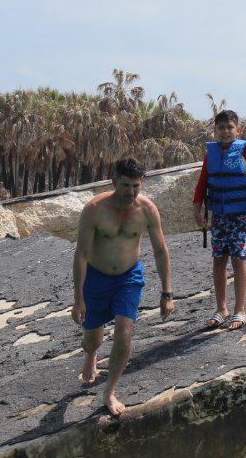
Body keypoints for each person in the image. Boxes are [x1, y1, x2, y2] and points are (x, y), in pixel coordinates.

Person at [72, 157, 174, 417]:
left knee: (125, 330)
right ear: (114, 181)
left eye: (136, 186)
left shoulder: (147, 210)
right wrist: (78, 299)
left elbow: (161, 252)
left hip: (129, 278)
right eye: (126, 185)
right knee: (91, 338)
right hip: (97, 278)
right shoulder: (94, 209)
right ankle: (92, 354)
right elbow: (81, 254)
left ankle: (109, 391)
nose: (131, 192)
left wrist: (167, 293)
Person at [192, 109, 246, 332]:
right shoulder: (211, 153)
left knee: (238, 259)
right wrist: (198, 212)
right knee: (218, 260)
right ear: (215, 130)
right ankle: (221, 308)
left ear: (238, 129)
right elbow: (201, 184)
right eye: (221, 128)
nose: (225, 132)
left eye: (230, 127)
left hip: (240, 215)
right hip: (219, 215)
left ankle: (240, 309)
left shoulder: (245, 151)